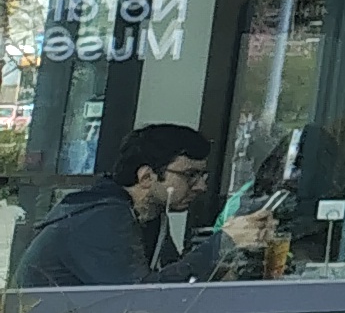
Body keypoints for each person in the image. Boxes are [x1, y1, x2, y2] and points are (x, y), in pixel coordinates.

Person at [16, 124, 276, 290]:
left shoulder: (148, 215)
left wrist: (227, 268)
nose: (201, 186)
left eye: (203, 176)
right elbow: (141, 297)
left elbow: (174, 278)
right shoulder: (102, 216)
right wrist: (223, 242)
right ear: (146, 177)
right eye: (190, 175)